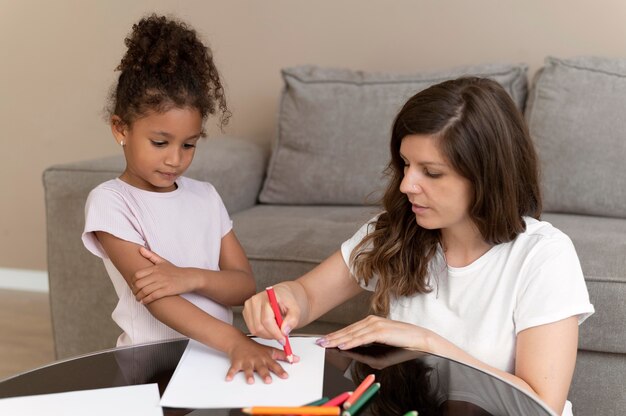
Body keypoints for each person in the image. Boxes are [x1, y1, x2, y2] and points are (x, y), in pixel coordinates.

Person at [243, 77, 594, 415]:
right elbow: (307, 295)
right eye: (406, 165)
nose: (407, 185)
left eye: (432, 172)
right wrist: (285, 298)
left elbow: (541, 406)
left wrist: (429, 343)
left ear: (486, 175)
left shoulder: (543, 256)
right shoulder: (394, 233)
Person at [82, 14, 290, 384]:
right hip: (150, 368)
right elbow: (156, 297)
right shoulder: (111, 202)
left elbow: (243, 284)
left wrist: (188, 277)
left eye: (189, 144)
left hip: (214, 359)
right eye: (160, 143)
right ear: (121, 129)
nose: (175, 159)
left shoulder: (205, 196)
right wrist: (235, 340)